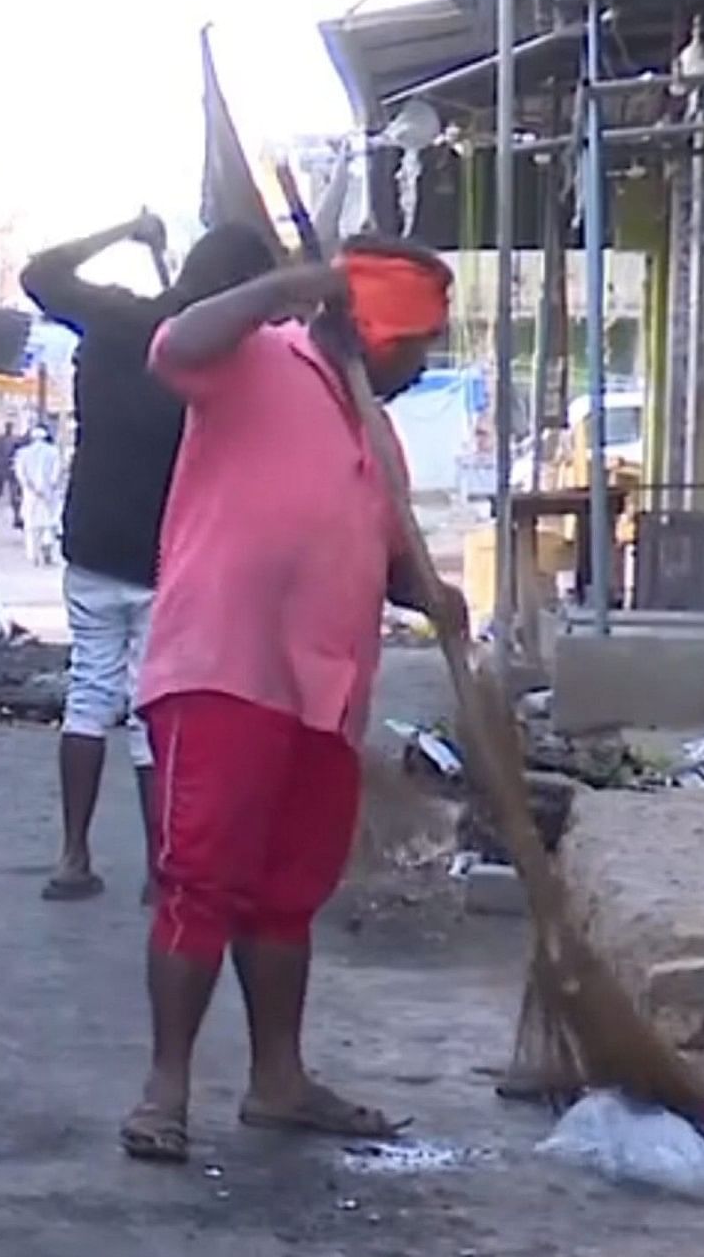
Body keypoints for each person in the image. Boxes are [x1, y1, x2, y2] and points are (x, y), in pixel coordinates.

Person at [120, 235, 464, 1164]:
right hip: (225, 666)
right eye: (416, 342)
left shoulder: (372, 426)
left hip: (326, 690)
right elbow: (174, 344)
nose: (421, 363)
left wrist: (432, 595)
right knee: (203, 881)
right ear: (372, 328)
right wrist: (283, 287)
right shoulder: (254, 360)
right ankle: (166, 1090)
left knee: (287, 893)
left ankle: (279, 1080)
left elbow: (386, 557)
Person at [20, 213, 265, 903]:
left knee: (89, 694)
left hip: (93, 537)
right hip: (168, 550)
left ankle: (73, 857)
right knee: (155, 709)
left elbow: (38, 273)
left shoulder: (111, 317)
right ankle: (163, 870)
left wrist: (124, 230)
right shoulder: (224, 352)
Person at [12, 422, 66, 568]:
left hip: (31, 494)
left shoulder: (23, 453)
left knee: (31, 526)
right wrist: (49, 487)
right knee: (48, 525)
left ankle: (34, 556)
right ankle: (47, 554)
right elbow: (57, 473)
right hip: (49, 493)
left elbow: (20, 474)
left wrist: (31, 488)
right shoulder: (54, 452)